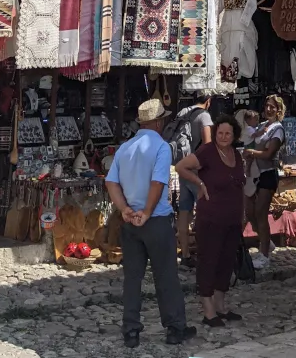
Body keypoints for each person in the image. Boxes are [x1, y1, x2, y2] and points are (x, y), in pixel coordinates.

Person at [105, 97, 196, 350]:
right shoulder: (161, 147)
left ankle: (131, 331)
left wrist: (124, 209)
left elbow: (111, 182)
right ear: (158, 123)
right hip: (155, 220)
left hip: (130, 221)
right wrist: (146, 211)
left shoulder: (125, 148)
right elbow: (158, 182)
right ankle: (175, 328)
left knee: (132, 278)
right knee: (166, 276)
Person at [176, 114, 246, 326]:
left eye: (228, 133)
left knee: (226, 262)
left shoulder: (236, 155)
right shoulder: (207, 151)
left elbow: (240, 187)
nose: (223, 137)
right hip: (211, 217)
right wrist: (199, 183)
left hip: (232, 218)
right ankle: (208, 311)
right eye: (220, 133)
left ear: (234, 135)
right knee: (209, 261)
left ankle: (220, 306)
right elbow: (181, 166)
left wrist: (243, 214)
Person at [242, 94, 286, 270]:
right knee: (249, 211)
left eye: (272, 107)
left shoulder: (278, 129)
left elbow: (269, 154)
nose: (268, 109)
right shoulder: (261, 126)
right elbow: (251, 143)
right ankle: (266, 240)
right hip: (254, 173)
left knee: (261, 212)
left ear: (278, 110)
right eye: (267, 105)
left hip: (268, 174)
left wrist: (252, 153)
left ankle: (264, 254)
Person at [176, 93, 214, 267]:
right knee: (205, 212)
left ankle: (185, 254)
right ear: (208, 101)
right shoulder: (204, 116)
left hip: (182, 169)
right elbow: (207, 145)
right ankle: (206, 253)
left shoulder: (183, 112)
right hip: (197, 172)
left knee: (184, 211)